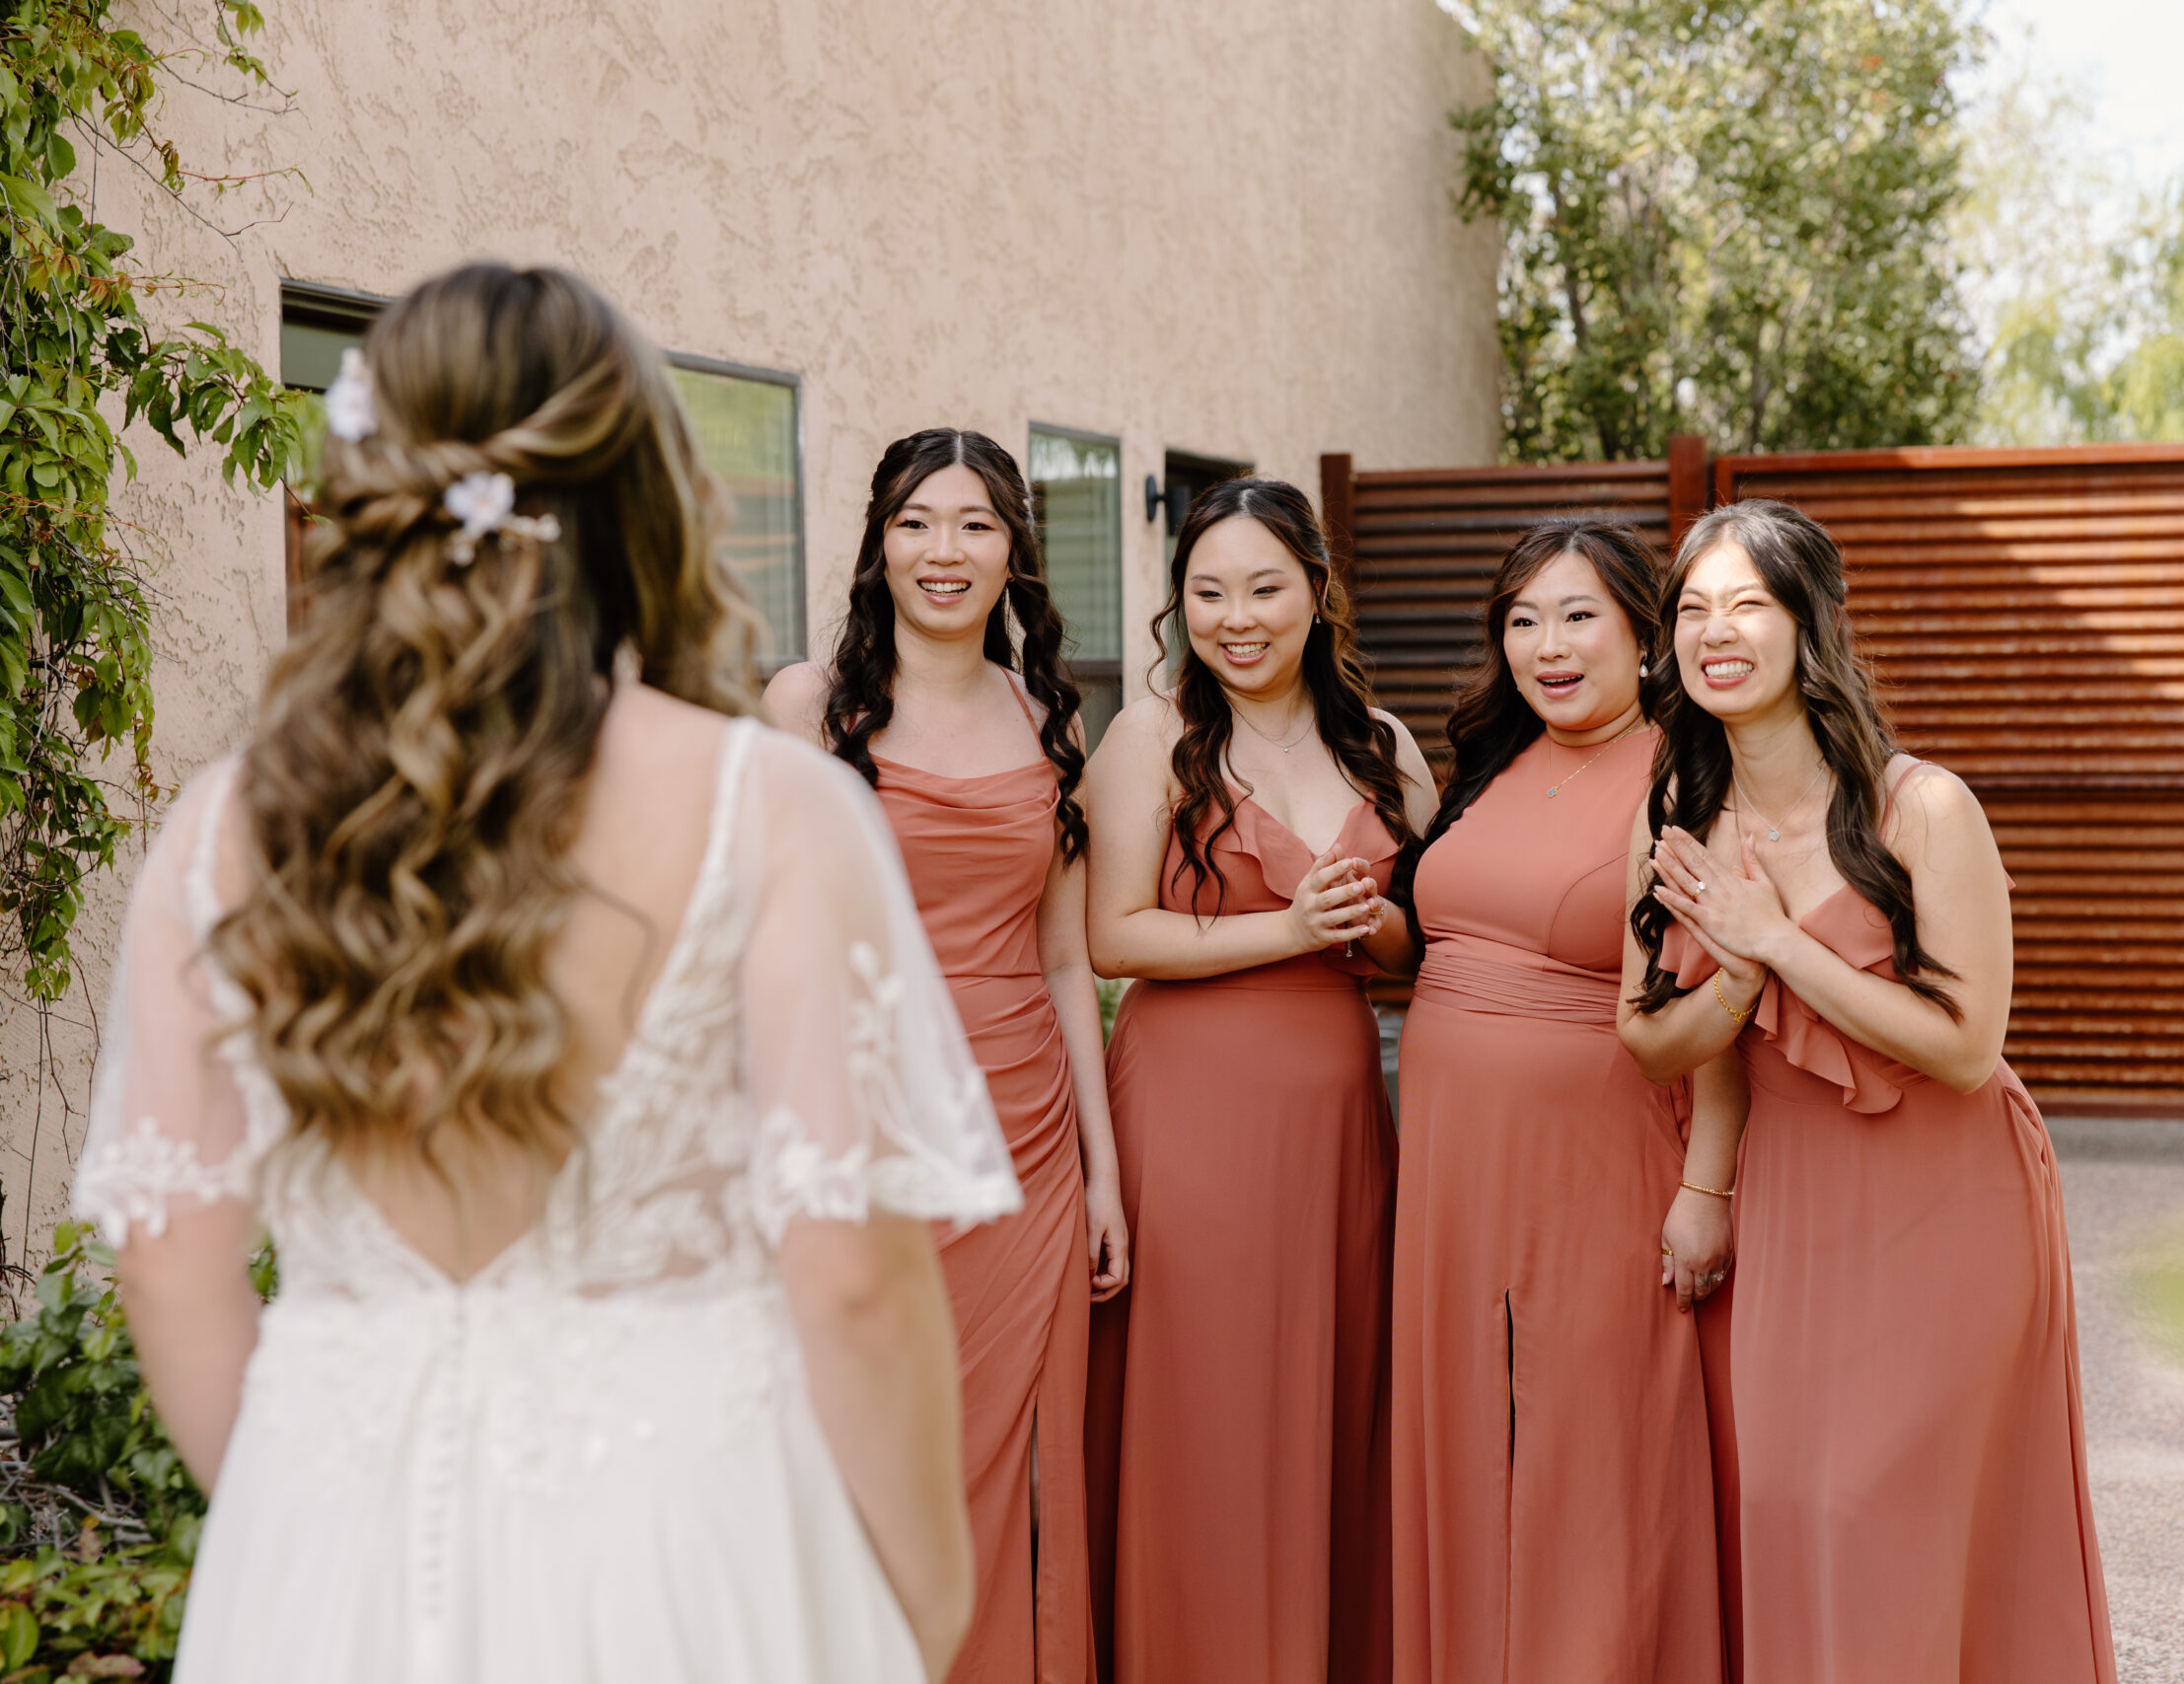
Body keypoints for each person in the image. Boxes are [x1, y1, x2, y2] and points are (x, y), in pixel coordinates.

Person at [72, 263, 1020, 1684]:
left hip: (328, 1568)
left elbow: (171, 1264)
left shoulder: (226, 829)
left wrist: (311, 1511)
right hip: (692, 1549)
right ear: (642, 494)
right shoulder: (768, 808)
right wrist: (924, 1604)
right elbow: (854, 1280)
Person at [1618, 498, 2115, 1684]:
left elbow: (1962, 1044)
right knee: (1797, 1507)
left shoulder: (1922, 807)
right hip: (1795, 1197)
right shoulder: (1676, 813)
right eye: (1691, 609)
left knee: (1892, 1511)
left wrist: (1778, 943)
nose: (1714, 631)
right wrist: (1738, 976)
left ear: (1809, 626)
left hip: (1945, 1197)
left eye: (1747, 604)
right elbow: (1649, 1044)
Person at [765, 426, 1126, 1684]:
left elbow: (1070, 963)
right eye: (917, 521)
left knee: (1018, 1465)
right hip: (861, 1121)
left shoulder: (1048, 719)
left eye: (974, 523)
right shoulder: (810, 708)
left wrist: (1103, 1175)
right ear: (878, 542)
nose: (944, 550)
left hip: (1021, 1132)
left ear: (1013, 548)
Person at [1080, 476, 1436, 1684]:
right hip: (1192, 1109)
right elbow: (1112, 937)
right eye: (1208, 590)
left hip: (1337, 1117)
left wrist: (1368, 923)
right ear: (1179, 602)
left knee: (1323, 1398)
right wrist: (1286, 934)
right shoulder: (1149, 736)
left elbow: (1417, 942)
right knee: (1210, 1409)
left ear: (1316, 593)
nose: (1237, 616)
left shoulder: (1379, 746)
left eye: (1264, 588)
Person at [1385, 519, 1732, 1684]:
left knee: (1590, 1451)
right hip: (1446, 1168)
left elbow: (1724, 991)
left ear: (1644, 639)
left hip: (1599, 1158)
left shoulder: (1686, 779)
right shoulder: (1489, 762)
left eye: (1578, 615)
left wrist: (1705, 1186)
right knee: (1469, 1441)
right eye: (1524, 619)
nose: (1548, 645)